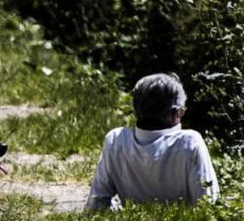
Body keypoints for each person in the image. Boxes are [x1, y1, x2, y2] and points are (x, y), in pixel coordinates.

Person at [86, 73, 220, 212]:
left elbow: (95, 205)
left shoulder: (116, 141)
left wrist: (119, 212)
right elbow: (210, 206)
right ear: (176, 113)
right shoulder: (189, 142)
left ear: (135, 113)